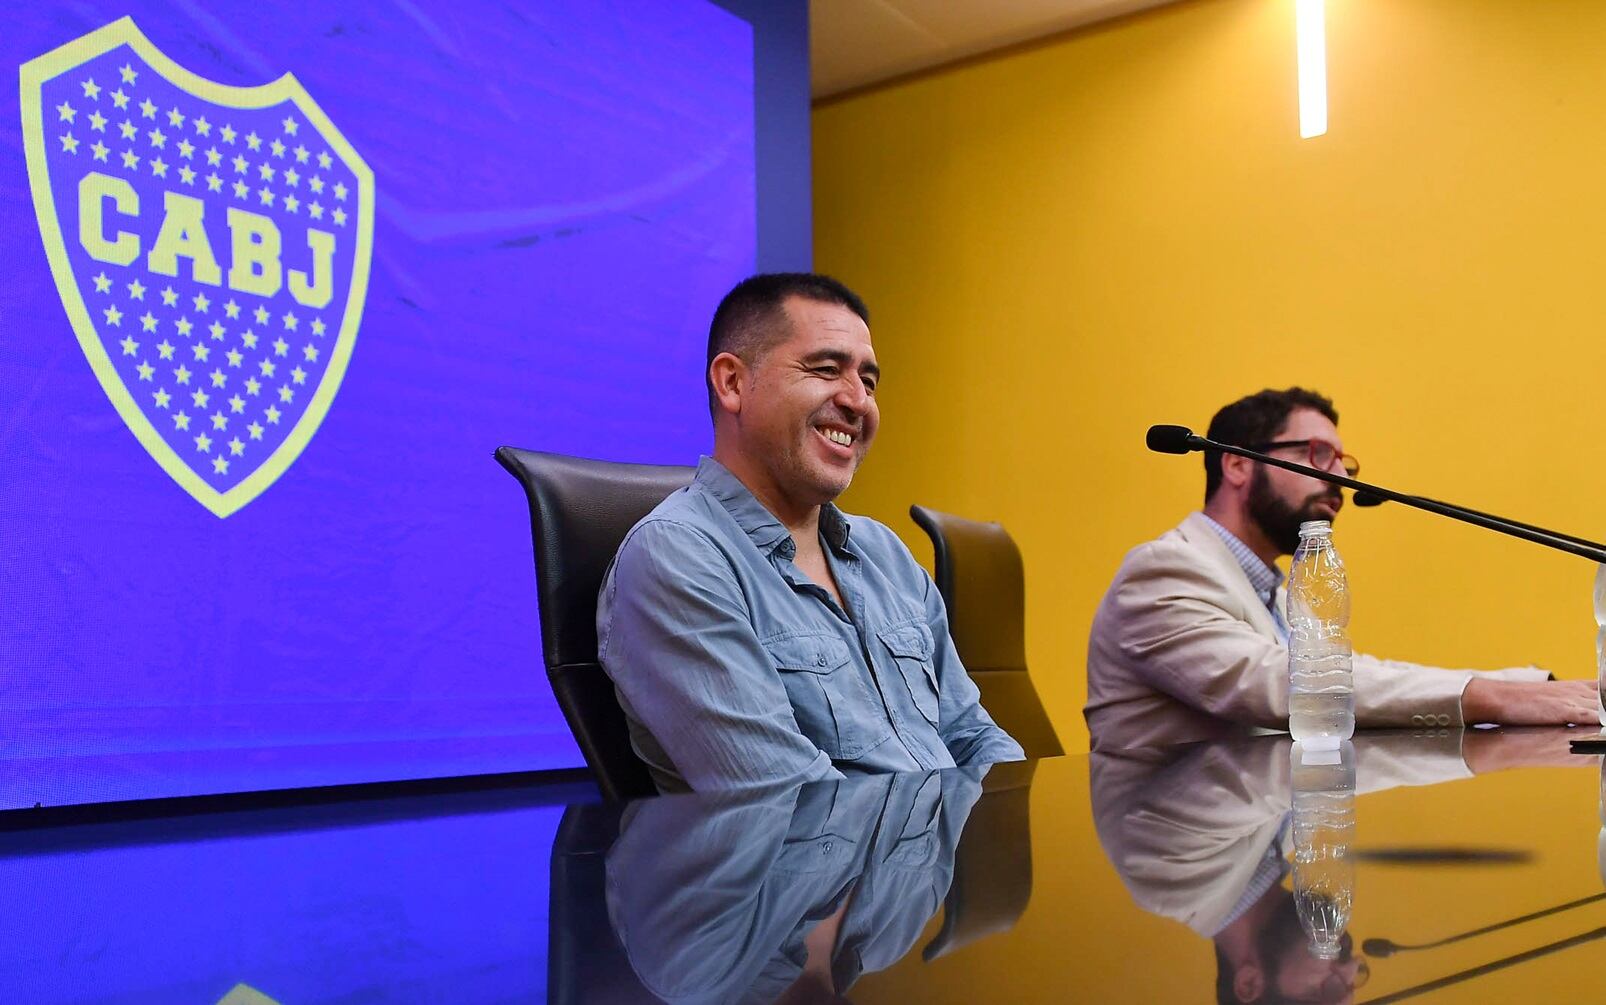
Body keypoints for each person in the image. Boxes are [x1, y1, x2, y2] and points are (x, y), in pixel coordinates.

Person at [597, 272, 1023, 793]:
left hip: (941, 864)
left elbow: (974, 737)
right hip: (819, 873)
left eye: (869, 382)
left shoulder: (883, 552)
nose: (858, 401)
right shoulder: (676, 555)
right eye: (826, 369)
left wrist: (1016, 839)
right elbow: (795, 802)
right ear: (732, 383)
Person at [1085, 387, 1595, 748]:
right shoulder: (1163, 571)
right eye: (1318, 455)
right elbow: (1290, 686)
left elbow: (1359, 673)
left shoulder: (1265, 588)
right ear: (1237, 463)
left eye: (1343, 465)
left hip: (1264, 845)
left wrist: (1533, 686)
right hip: (1186, 868)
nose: (1338, 480)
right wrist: (1496, 699)